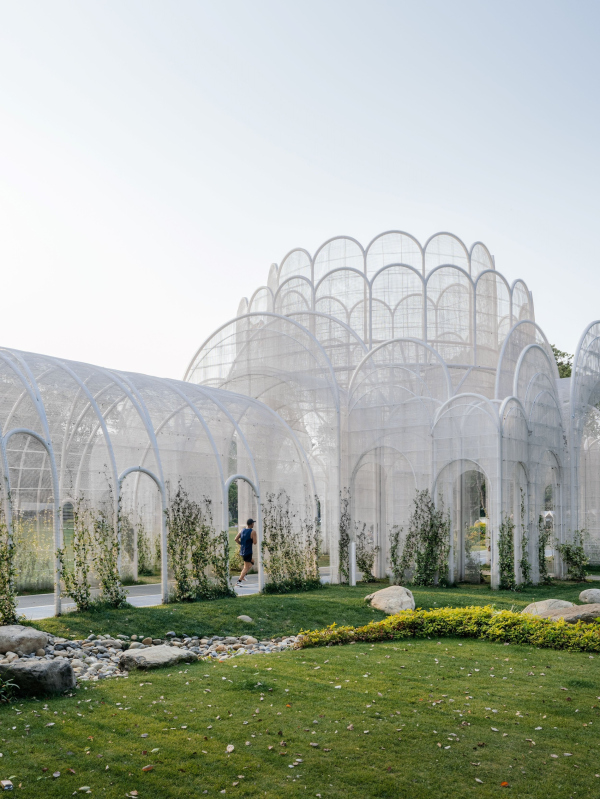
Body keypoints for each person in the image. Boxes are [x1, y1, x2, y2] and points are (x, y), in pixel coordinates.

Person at [234, 518, 257, 586]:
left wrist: (242, 544)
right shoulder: (253, 532)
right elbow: (255, 542)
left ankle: (244, 574)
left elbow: (236, 539)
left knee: (252, 561)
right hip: (248, 551)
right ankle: (239, 581)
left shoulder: (242, 530)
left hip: (242, 551)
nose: (253, 524)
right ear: (251, 524)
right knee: (246, 567)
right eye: (253, 523)